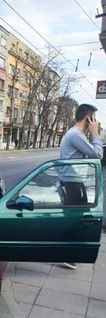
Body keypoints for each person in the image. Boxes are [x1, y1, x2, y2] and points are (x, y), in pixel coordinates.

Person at [59, 103, 103, 269]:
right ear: (88, 118)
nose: (95, 122)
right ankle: (65, 255)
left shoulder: (75, 134)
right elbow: (97, 155)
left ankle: (69, 253)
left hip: (73, 181)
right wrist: (95, 134)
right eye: (94, 119)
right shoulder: (76, 135)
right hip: (72, 182)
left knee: (76, 218)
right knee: (75, 220)